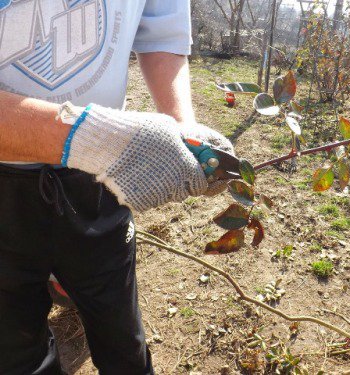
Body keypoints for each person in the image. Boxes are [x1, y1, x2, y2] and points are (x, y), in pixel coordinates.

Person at [0, 1, 232, 374]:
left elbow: (161, 30)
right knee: (15, 352)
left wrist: (182, 126)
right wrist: (98, 138)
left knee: (123, 339)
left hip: (99, 179)